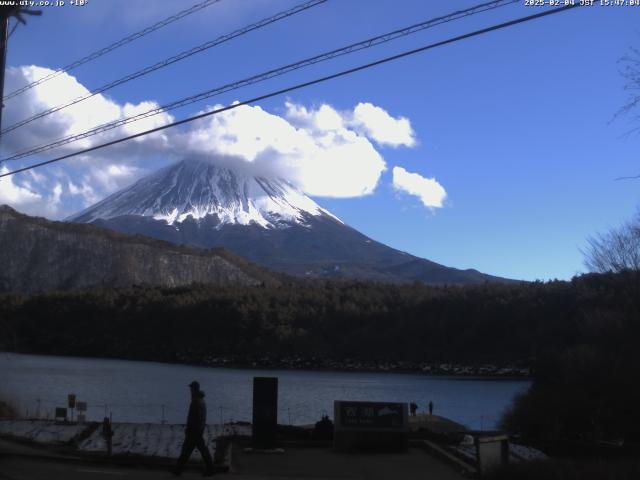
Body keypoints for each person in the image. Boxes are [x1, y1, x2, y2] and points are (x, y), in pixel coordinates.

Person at [173, 381, 214, 476]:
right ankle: (178, 469)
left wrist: (191, 429)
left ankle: (178, 470)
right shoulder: (201, 400)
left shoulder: (196, 401)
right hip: (197, 430)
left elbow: (196, 417)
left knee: (187, 450)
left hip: (194, 431)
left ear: (193, 389)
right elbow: (200, 417)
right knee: (197, 450)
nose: (190, 390)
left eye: (191, 388)